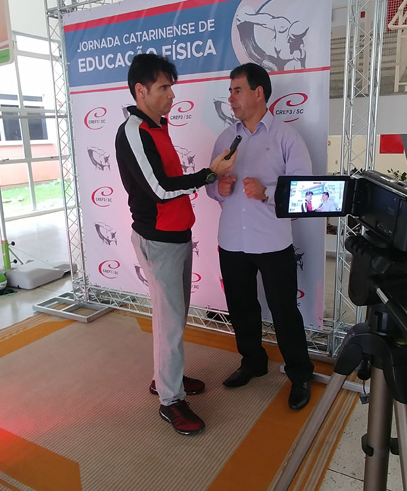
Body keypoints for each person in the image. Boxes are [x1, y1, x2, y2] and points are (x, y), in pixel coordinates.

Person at [115, 53, 237, 436]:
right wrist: (208, 174)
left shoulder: (157, 126)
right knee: (169, 324)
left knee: (175, 317)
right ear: (141, 90)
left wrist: (205, 176)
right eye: (164, 87)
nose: (172, 95)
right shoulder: (134, 131)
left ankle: (166, 378)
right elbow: (159, 189)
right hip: (158, 240)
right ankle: (170, 400)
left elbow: (166, 182)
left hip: (177, 235)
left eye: (171, 86)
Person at [207, 62, 314, 411]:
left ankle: (300, 374)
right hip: (232, 242)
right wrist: (219, 188)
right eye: (230, 91)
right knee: (241, 309)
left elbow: (303, 193)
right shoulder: (225, 139)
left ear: (258, 93)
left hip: (272, 243)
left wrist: (267, 193)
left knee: (284, 312)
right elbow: (211, 187)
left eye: (237, 90)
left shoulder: (286, 137)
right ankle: (253, 361)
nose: (231, 97)